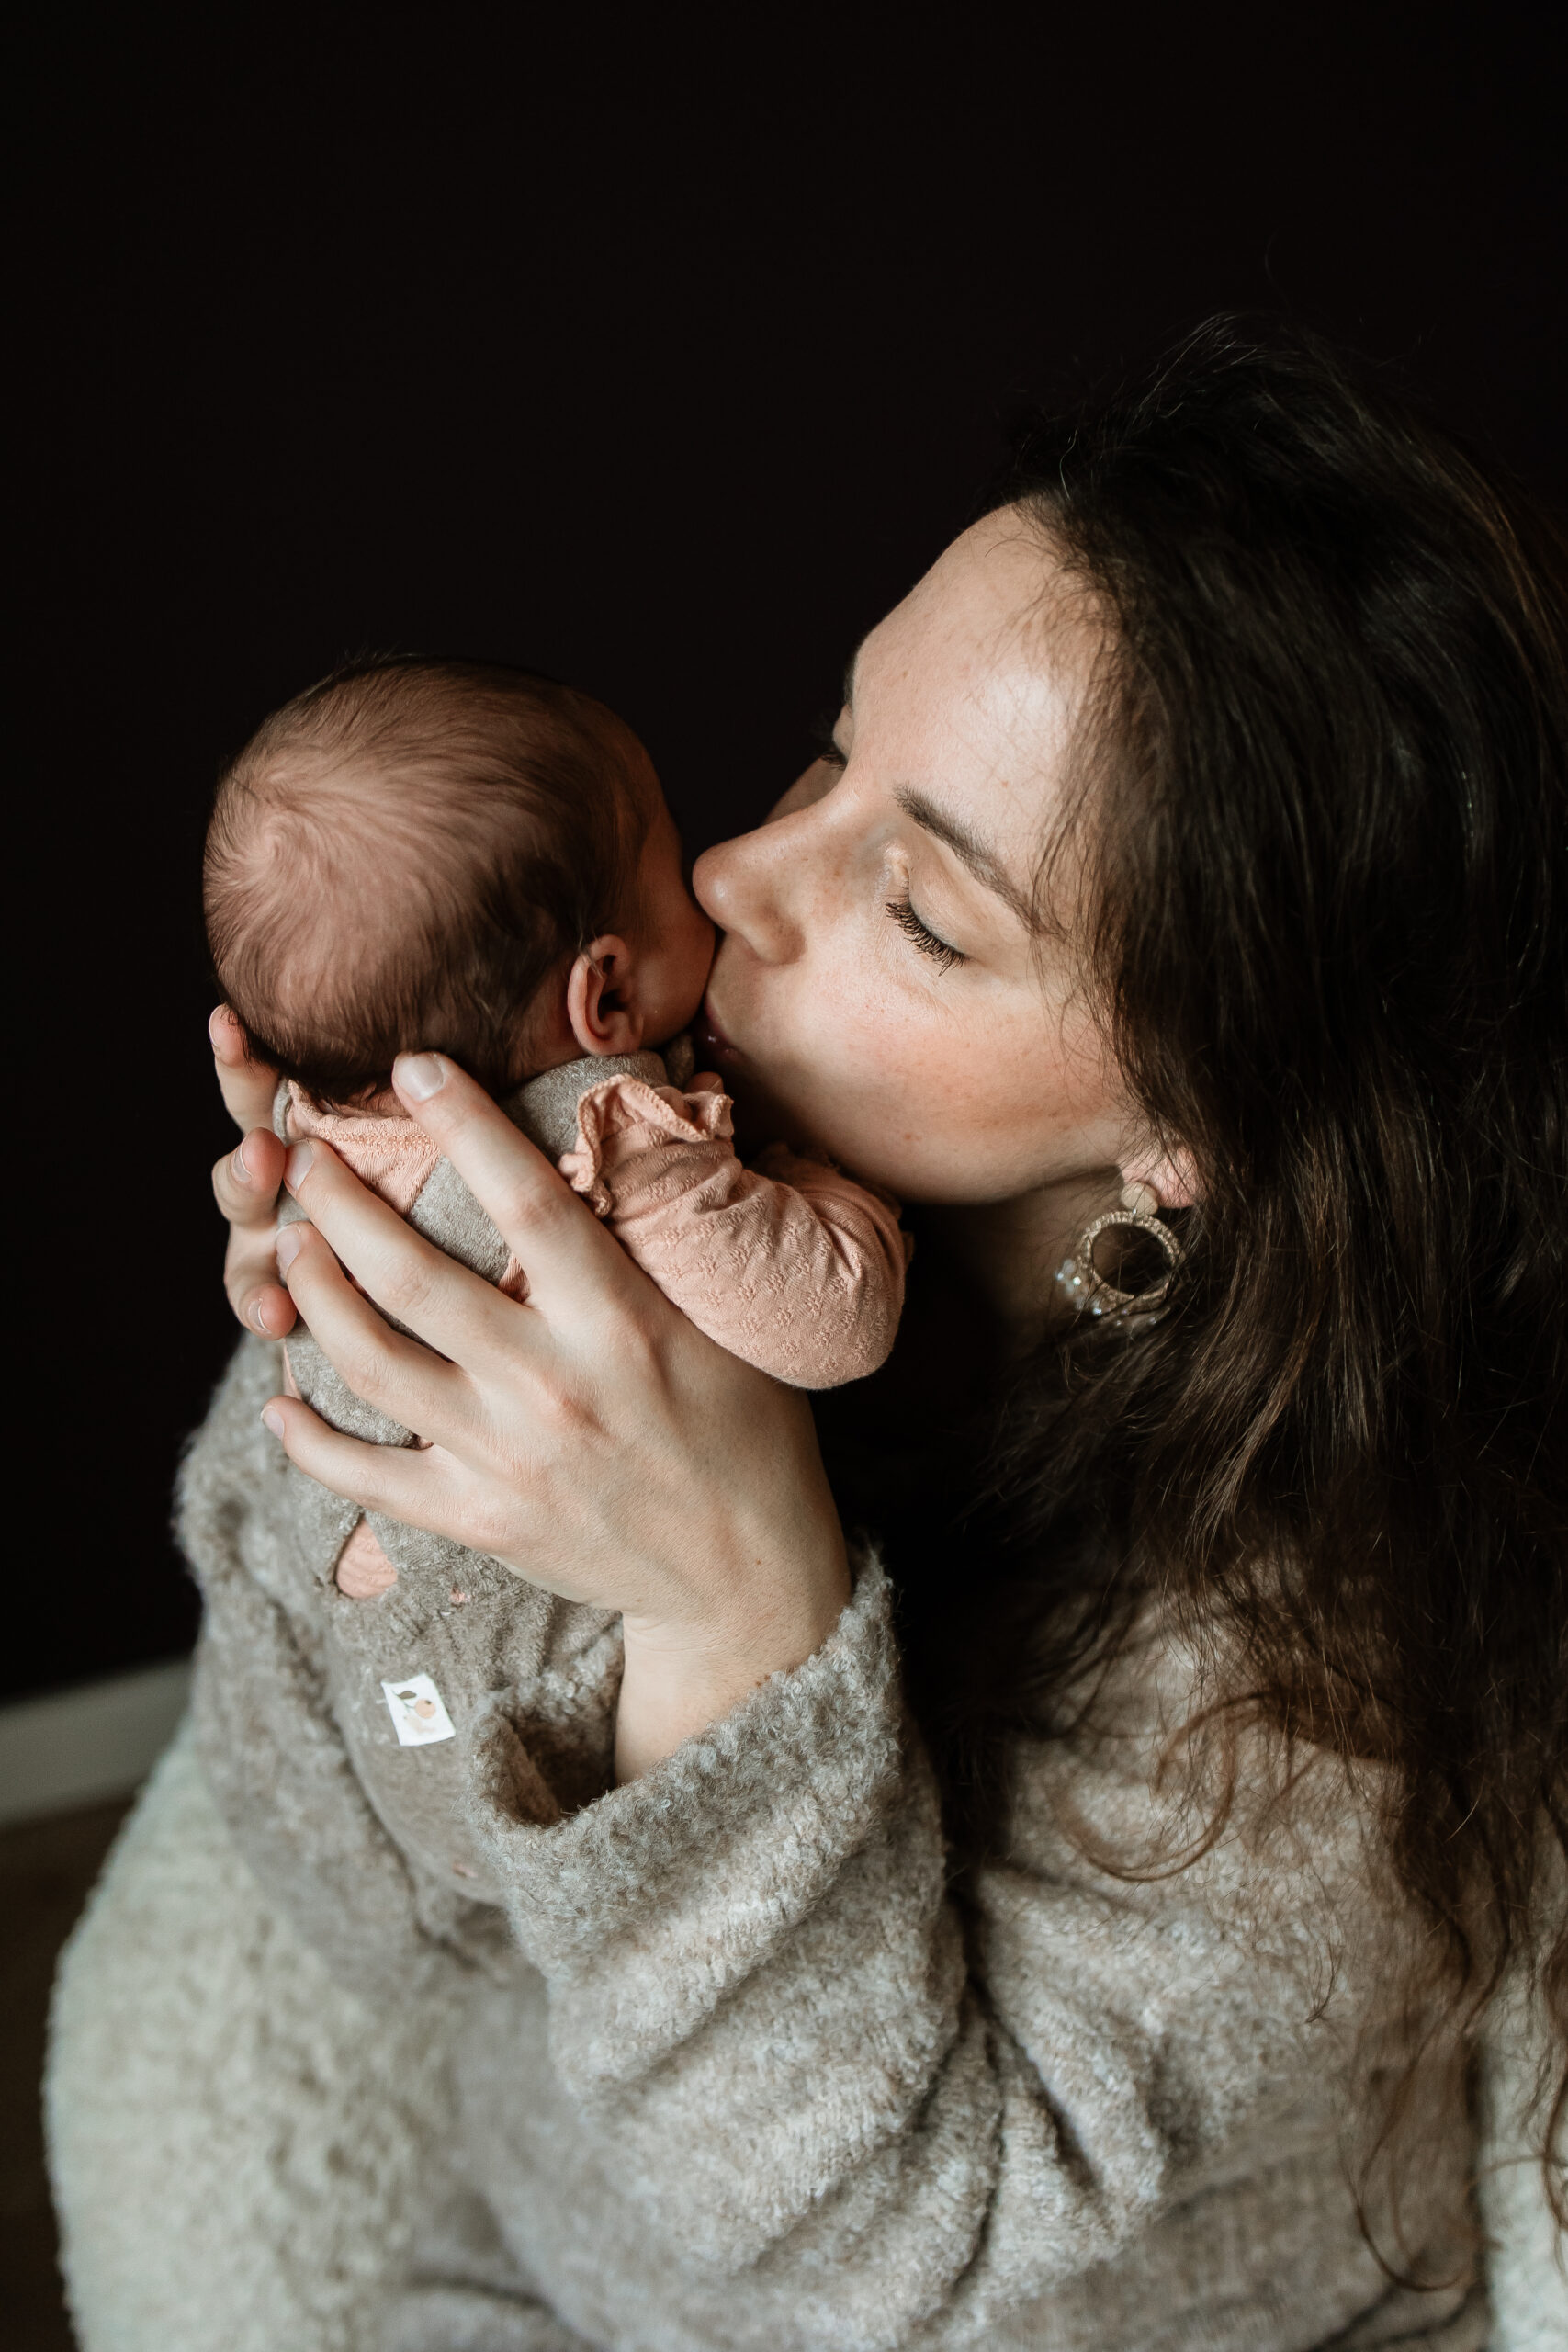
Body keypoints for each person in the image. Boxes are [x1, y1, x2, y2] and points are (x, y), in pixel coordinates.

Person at [49, 319, 1566, 2351]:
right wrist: (358, 1388)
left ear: (1195, 1129)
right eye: (833, 743)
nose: (740, 874)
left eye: (921, 911)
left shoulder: (1302, 1691)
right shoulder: (669, 1178)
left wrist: (735, 1602)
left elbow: (890, 2275)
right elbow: (386, 1933)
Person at [191, 659, 907, 1973]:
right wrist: (809, 1179)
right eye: (676, 853)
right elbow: (835, 1322)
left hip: (390, 1742)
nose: (726, 877)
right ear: (605, 1001)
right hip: (556, 1740)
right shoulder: (620, 1138)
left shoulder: (322, 1132)